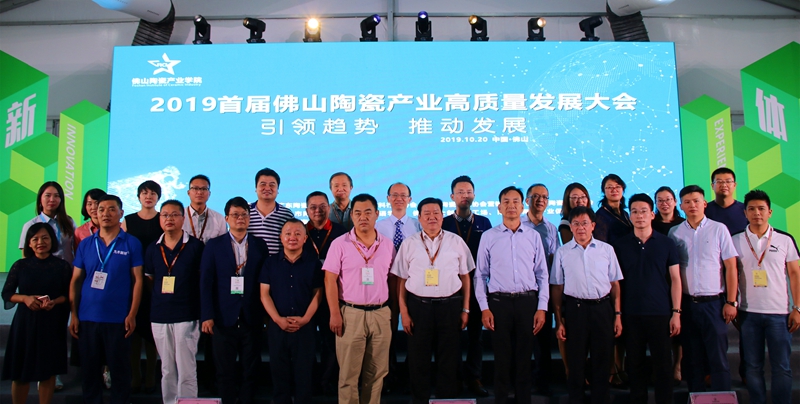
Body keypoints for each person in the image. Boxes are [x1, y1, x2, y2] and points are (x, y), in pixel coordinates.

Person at [392, 197, 473, 404]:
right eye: (426, 213)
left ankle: (447, 400)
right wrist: (404, 312)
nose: (432, 217)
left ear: (442, 216)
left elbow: (465, 277)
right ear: (419, 218)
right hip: (419, 307)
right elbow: (401, 280)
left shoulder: (456, 241)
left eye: (436, 213)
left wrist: (465, 309)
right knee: (418, 359)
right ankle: (420, 400)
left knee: (449, 359)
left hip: (450, 306)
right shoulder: (409, 244)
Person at [475, 186, 549, 404]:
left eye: (515, 201)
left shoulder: (533, 237)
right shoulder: (489, 237)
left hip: (527, 302)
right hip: (499, 303)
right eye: (506, 201)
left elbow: (542, 274)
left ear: (522, 206)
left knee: (524, 359)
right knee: (502, 359)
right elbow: (480, 275)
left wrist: (542, 307)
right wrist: (484, 308)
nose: (511, 206)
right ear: (499, 207)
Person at [69, 195, 144, 404]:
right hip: (87, 317)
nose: (105, 214)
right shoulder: (86, 244)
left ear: (121, 214)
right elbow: (76, 280)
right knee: (89, 372)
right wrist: (73, 314)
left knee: (120, 372)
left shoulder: (131, 243)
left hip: (119, 319)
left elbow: (138, 280)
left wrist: (132, 314)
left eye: (112, 209)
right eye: (101, 209)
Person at [323, 193, 395, 404]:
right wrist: (335, 313)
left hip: (381, 313)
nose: (363, 217)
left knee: (377, 373)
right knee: (348, 374)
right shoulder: (339, 244)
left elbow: (392, 280)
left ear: (377, 214)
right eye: (358, 213)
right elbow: (329, 280)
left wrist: (393, 312)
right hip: (350, 314)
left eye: (368, 212)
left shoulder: (388, 245)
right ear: (352, 216)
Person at [612, 194, 681, 404]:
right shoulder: (620, 245)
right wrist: (618, 314)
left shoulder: (667, 243)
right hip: (631, 314)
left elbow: (675, 279)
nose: (639, 215)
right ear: (630, 216)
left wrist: (676, 312)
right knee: (635, 366)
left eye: (643, 211)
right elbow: (616, 283)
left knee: (663, 367)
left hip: (660, 313)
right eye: (634, 211)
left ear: (652, 214)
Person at [732, 190, 800, 404]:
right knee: (752, 367)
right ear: (745, 213)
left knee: (782, 367)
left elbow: (795, 274)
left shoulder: (785, 239)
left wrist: (797, 307)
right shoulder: (735, 240)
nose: (757, 213)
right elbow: (730, 274)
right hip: (747, 313)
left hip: (779, 313)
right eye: (751, 209)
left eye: (761, 208)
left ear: (770, 212)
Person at [668, 185, 738, 392]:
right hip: (687, 305)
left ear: (704, 203)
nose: (692, 205)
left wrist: (731, 301)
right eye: (687, 202)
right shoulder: (675, 233)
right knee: (692, 359)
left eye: (696, 201)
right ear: (681, 206)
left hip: (714, 304)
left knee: (718, 358)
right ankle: (696, 398)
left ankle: (722, 398)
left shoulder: (719, 229)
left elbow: (731, 267)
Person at [200, 197, 270, 404]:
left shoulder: (259, 245)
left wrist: (265, 314)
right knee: (224, 370)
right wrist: (207, 315)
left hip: (252, 316)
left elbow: (265, 281)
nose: (240, 218)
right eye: (235, 215)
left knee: (251, 368)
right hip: (222, 317)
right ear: (226, 218)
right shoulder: (214, 245)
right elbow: (206, 282)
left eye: (244, 215)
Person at [550, 206, 623, 404]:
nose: (580, 227)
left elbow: (615, 284)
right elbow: (557, 287)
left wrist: (617, 315)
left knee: (602, 361)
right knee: (576, 363)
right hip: (576, 310)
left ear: (593, 225)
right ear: (570, 227)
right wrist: (559, 320)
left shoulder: (606, 250)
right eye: (576, 223)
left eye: (584, 223)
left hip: (602, 309)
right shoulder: (562, 252)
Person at [2, 223, 72, 404]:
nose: (40, 242)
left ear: (52, 241)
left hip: (51, 323)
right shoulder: (21, 265)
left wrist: (54, 302)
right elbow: (7, 293)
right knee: (20, 372)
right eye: (35, 239)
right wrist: (25, 299)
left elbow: (67, 295)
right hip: (25, 323)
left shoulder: (62, 266)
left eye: (45, 238)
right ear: (29, 243)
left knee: (48, 371)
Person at [144, 200, 205, 404]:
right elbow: (150, 279)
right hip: (159, 315)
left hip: (186, 314)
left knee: (186, 367)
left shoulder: (196, 246)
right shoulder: (153, 248)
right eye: (165, 215)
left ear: (182, 218)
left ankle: (188, 402)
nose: (169, 219)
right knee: (167, 368)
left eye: (174, 215)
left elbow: (201, 279)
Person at [260, 219, 323, 404]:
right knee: (279, 374)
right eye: (288, 234)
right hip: (277, 326)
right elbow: (264, 294)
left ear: (305, 238)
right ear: (281, 237)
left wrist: (306, 319)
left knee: (304, 375)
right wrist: (277, 319)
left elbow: (318, 293)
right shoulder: (270, 263)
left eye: (297, 234)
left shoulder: (313, 263)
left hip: (305, 327)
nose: (292, 237)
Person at [441, 175, 491, 397]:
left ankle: (474, 378)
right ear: (452, 196)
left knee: (475, 336)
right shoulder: (444, 223)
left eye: (468, 192)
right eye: (460, 192)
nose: (465, 195)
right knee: (451, 336)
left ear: (474, 195)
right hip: (450, 286)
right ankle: (453, 378)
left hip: (477, 285)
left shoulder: (484, 223)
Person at [374, 181, 420, 391]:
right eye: (395, 195)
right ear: (388, 199)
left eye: (403, 195)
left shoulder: (418, 225)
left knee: (415, 330)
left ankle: (412, 375)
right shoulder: (378, 226)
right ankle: (388, 375)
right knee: (388, 331)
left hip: (414, 283)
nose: (399, 199)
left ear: (410, 200)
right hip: (386, 282)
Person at [304, 191, 347, 394]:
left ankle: (328, 382)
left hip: (334, 294)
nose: (318, 211)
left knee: (331, 341)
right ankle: (310, 382)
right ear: (306, 210)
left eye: (322, 206)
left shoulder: (341, 232)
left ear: (329, 208)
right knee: (308, 341)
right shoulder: (301, 232)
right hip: (307, 295)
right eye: (313, 207)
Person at [121, 180, 161, 394]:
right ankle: (135, 375)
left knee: (152, 330)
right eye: (144, 193)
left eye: (153, 193)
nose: (148, 196)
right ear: (138, 196)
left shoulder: (162, 219)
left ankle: (151, 376)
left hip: (156, 281)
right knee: (133, 328)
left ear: (158, 197)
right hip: (132, 280)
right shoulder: (128, 221)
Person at [521, 183, 560, 393]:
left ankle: (542, 382)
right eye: (536, 196)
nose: (540, 200)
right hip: (522, 288)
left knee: (543, 339)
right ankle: (522, 381)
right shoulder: (517, 224)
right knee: (522, 337)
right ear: (527, 200)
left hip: (544, 288)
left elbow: (555, 259)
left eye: (544, 197)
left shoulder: (551, 228)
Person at [652, 186, 685, 382]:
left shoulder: (683, 225)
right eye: (660, 200)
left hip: (678, 279)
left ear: (675, 202)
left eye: (668, 199)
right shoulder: (651, 224)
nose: (664, 203)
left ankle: (678, 365)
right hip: (657, 281)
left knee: (678, 328)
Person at [20, 181, 76, 264]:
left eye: (56, 196)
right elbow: (26, 255)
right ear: (40, 198)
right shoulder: (31, 225)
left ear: (61, 200)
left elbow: (77, 248)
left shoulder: (69, 222)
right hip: (40, 270)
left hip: (67, 269)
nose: (52, 199)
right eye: (48, 195)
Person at [248, 167, 295, 255]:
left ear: (277, 190)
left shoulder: (286, 214)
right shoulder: (245, 212)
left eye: (272, 185)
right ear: (256, 188)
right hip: (250, 262)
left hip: (277, 263)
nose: (267, 188)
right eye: (263, 184)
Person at [183, 174, 228, 244]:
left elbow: (223, 244)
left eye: (204, 189)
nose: (199, 192)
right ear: (188, 193)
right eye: (195, 188)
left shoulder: (219, 218)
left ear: (209, 193)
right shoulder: (179, 216)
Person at [705, 167, 747, 235]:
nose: (724, 185)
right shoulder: (704, 210)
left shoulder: (745, 209)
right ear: (712, 186)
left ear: (734, 185)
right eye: (719, 182)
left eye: (728, 181)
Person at [594, 173, 633, 244]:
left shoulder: (625, 213)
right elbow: (601, 245)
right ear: (603, 191)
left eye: (618, 186)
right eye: (609, 187)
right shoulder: (601, 216)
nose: (614, 190)